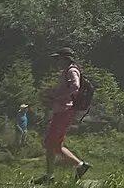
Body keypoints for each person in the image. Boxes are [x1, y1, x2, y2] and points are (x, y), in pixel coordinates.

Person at [38, 48, 90, 183]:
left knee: (50, 143)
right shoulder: (67, 71)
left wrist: (58, 97)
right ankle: (80, 165)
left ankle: (49, 176)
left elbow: (75, 87)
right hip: (62, 110)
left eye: (59, 58)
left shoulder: (72, 70)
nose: (58, 61)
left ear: (66, 58)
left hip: (64, 110)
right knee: (57, 145)